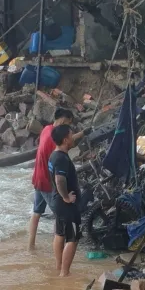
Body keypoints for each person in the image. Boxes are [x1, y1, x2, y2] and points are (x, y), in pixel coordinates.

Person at [28, 108, 86, 249]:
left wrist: (81, 134)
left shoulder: (47, 130)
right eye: (67, 123)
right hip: (48, 182)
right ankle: (58, 247)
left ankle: (31, 246)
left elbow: (64, 140)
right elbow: (64, 146)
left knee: (37, 212)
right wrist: (65, 197)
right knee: (59, 214)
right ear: (61, 120)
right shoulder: (53, 142)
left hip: (37, 177)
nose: (67, 127)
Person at [48, 124, 81, 277]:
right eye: (71, 134)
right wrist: (67, 197)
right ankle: (64, 274)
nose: (73, 137)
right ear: (65, 139)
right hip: (65, 204)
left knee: (60, 234)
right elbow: (60, 180)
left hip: (56, 201)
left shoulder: (54, 155)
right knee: (72, 238)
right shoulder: (61, 158)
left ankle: (59, 267)